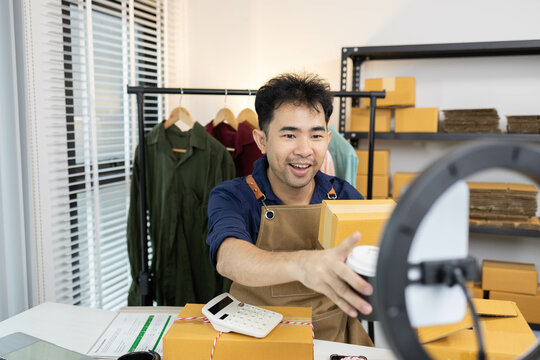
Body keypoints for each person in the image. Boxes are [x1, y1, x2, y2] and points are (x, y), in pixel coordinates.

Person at [206, 73, 373, 345]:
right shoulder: (232, 196)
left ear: (328, 139)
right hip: (253, 340)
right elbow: (229, 258)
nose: (305, 149)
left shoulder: (344, 196)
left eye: (316, 135)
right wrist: (301, 264)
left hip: (331, 340)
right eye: (289, 135)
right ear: (262, 141)